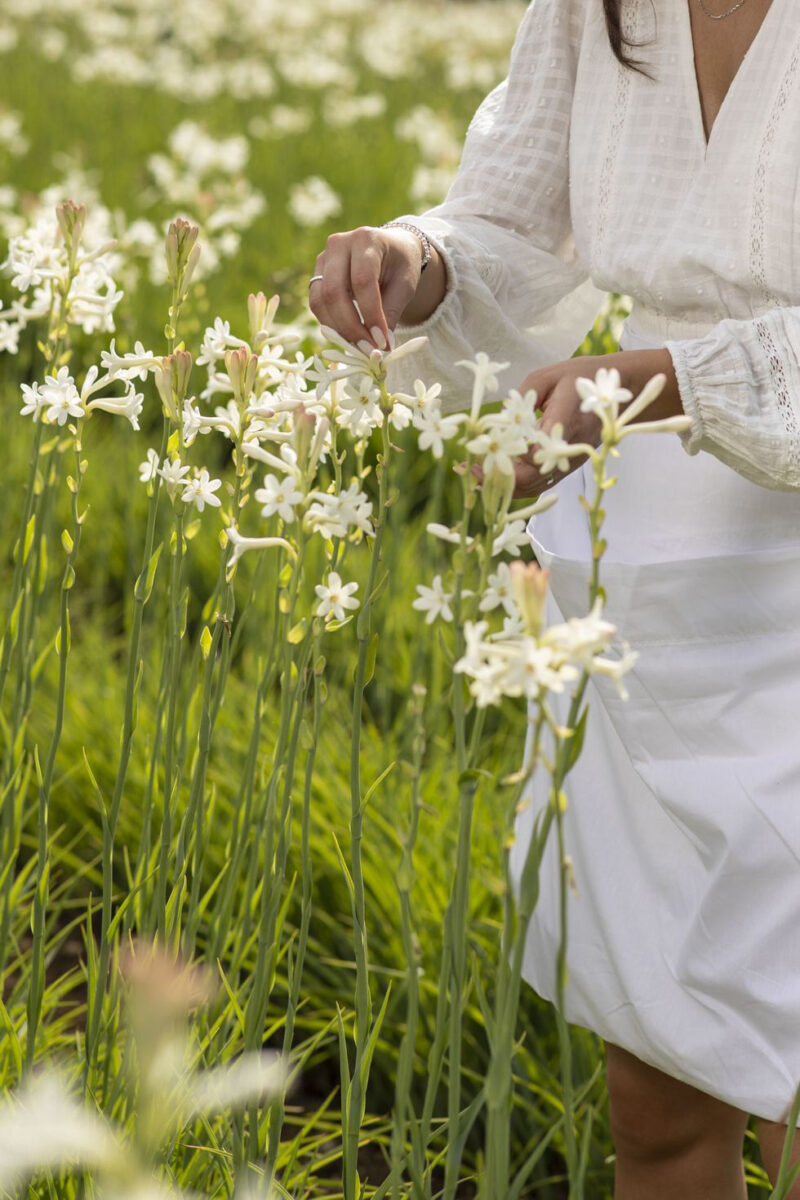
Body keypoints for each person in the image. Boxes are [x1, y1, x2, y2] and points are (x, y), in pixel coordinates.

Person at [308, 0, 800, 1195]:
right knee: (658, 1106)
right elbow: (509, 226)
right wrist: (418, 266)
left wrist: (659, 378)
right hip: (637, 578)